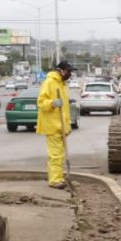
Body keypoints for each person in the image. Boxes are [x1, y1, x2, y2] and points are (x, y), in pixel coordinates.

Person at [37, 60, 75, 188]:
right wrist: (52, 103)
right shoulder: (49, 82)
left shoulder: (63, 84)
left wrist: (67, 127)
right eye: (69, 71)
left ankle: (60, 177)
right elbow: (41, 102)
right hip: (52, 125)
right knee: (56, 155)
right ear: (61, 70)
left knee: (60, 154)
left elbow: (65, 110)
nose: (70, 74)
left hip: (61, 126)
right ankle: (55, 180)